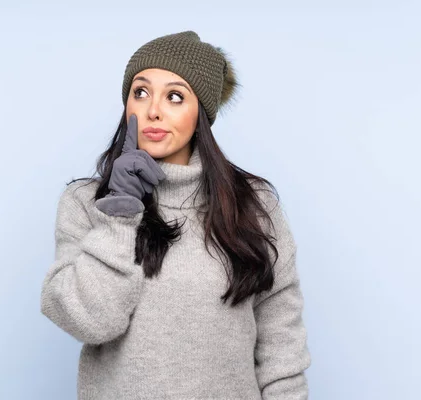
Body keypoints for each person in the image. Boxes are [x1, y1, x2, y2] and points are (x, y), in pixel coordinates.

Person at [40, 30, 311, 400]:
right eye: (141, 92)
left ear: (200, 112)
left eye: (174, 96)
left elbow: (282, 340)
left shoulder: (253, 204)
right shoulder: (86, 203)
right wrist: (120, 210)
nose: (153, 110)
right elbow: (90, 321)